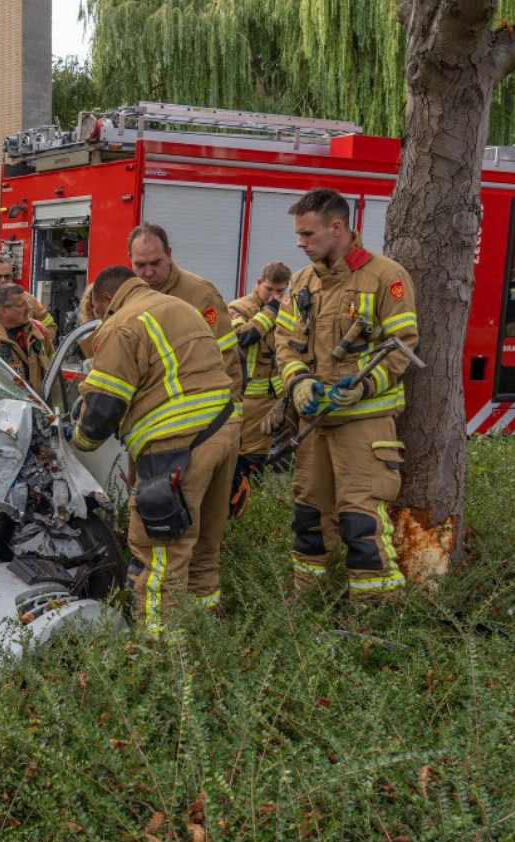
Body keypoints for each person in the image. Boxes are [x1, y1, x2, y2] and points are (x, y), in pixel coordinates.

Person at [72, 265, 239, 633]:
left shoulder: (123, 324)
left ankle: (159, 654)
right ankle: (205, 632)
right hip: (222, 434)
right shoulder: (179, 307)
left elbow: (101, 409)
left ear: (105, 299)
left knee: (159, 556)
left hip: (176, 449)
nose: (100, 319)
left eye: (99, 312)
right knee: (202, 553)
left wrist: (77, 442)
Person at [275, 187, 419, 602]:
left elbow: (404, 347)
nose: (300, 243)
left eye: (307, 234)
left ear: (337, 227)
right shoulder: (302, 281)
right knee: (309, 521)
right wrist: (298, 381)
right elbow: (285, 341)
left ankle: (374, 620)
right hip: (313, 426)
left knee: (361, 524)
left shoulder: (385, 277)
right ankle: (308, 607)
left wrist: (363, 387)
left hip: (364, 428)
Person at [128, 223, 244, 405]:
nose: (149, 272)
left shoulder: (201, 295)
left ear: (169, 254)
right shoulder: (127, 297)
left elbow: (227, 359)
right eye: (140, 265)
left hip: (192, 413)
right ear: (130, 260)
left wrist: (229, 416)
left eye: (156, 263)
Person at [227, 260, 292, 510]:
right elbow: (241, 337)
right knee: (249, 459)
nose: (275, 296)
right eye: (270, 290)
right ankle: (243, 509)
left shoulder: (288, 309)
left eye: (280, 291)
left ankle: (259, 509)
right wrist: (270, 311)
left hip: (277, 398)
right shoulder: (240, 307)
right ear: (258, 283)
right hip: (249, 400)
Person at [0, 284, 54, 395]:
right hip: (2, 411)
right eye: (21, 305)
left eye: (27, 302)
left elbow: (54, 375)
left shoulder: (38, 330)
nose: (28, 308)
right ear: (4, 311)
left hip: (41, 410)